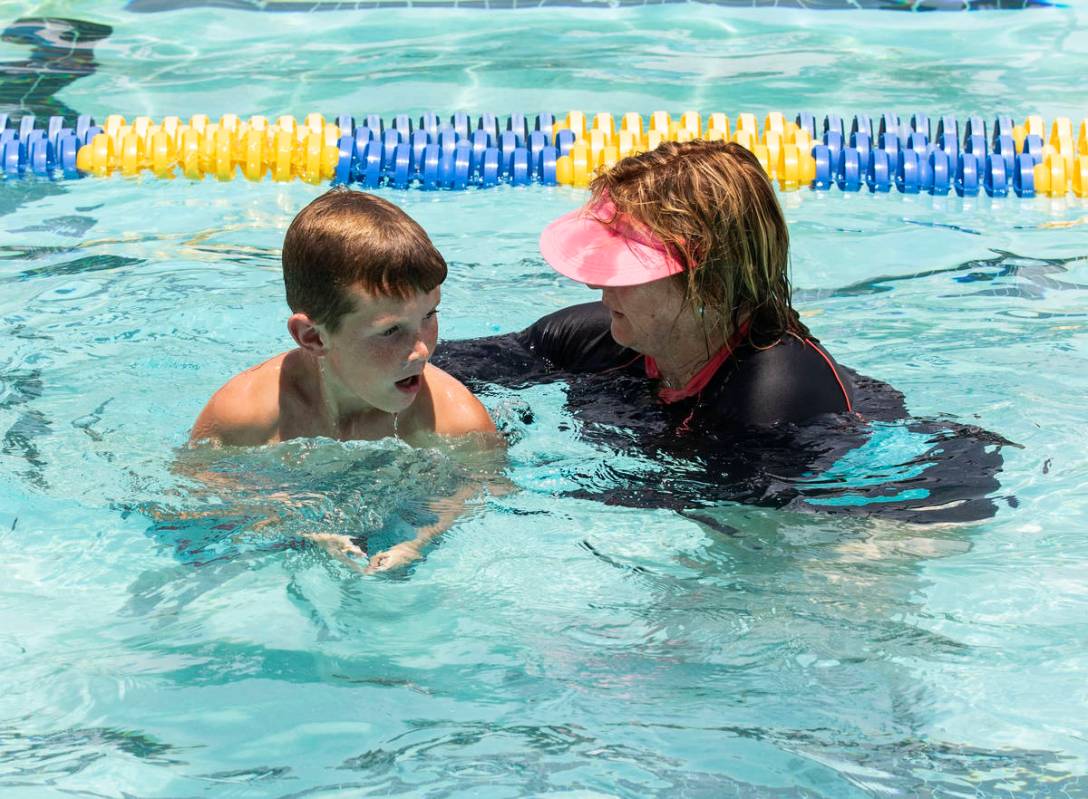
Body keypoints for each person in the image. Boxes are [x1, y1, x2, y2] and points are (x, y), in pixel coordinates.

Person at [435, 140, 1006, 523]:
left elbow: (735, 518)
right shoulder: (600, 337)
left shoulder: (772, 395)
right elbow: (430, 366)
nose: (598, 288)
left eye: (625, 271)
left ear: (707, 280)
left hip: (907, 491)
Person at [190, 188, 498, 569]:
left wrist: (422, 540)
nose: (421, 349)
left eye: (429, 316)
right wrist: (293, 526)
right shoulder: (245, 418)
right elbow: (190, 512)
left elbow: (484, 493)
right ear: (314, 337)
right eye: (390, 331)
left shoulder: (457, 423)